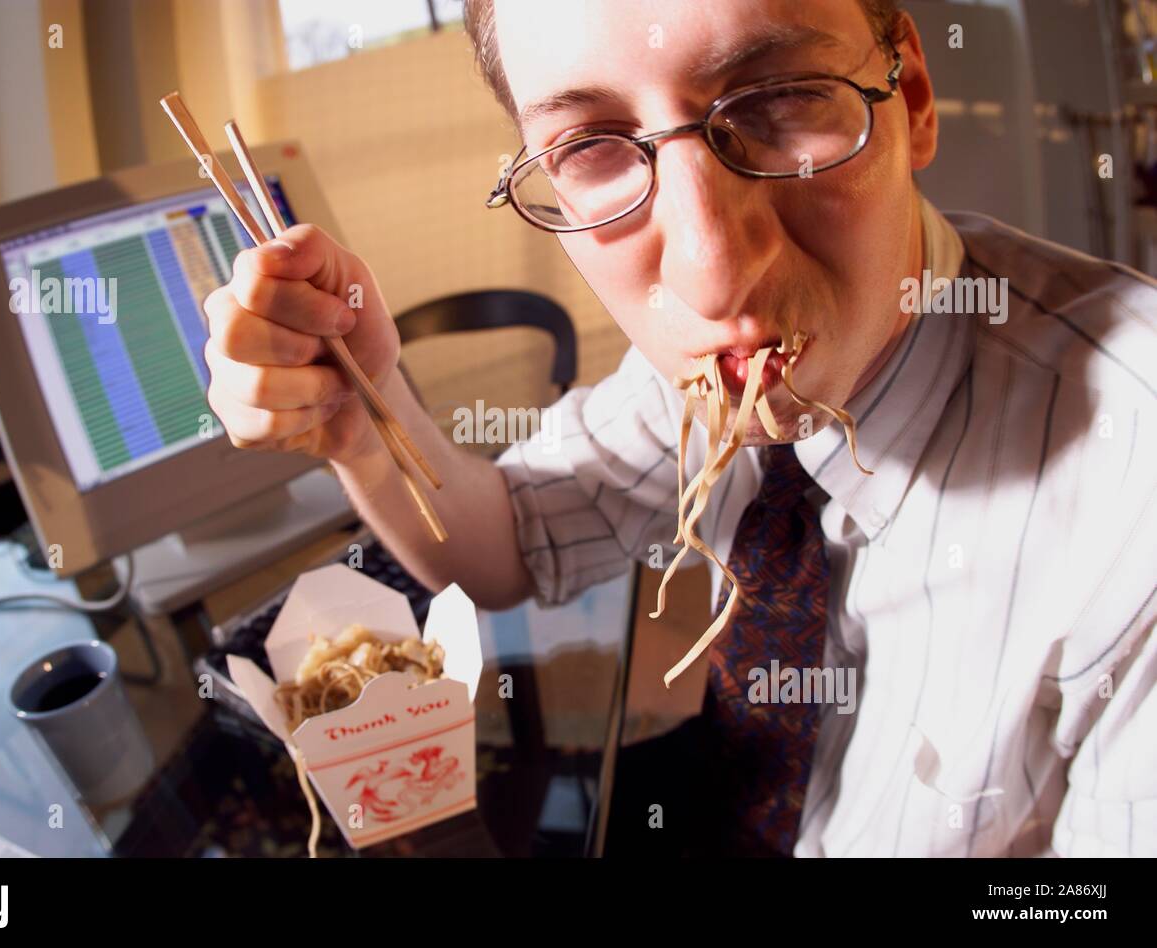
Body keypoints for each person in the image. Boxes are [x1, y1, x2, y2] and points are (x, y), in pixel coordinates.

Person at [201, 0, 1156, 856]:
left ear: (908, 99)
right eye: (589, 147)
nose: (709, 278)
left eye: (780, 96)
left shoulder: (1132, 492)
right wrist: (361, 418)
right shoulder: (688, 387)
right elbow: (506, 549)